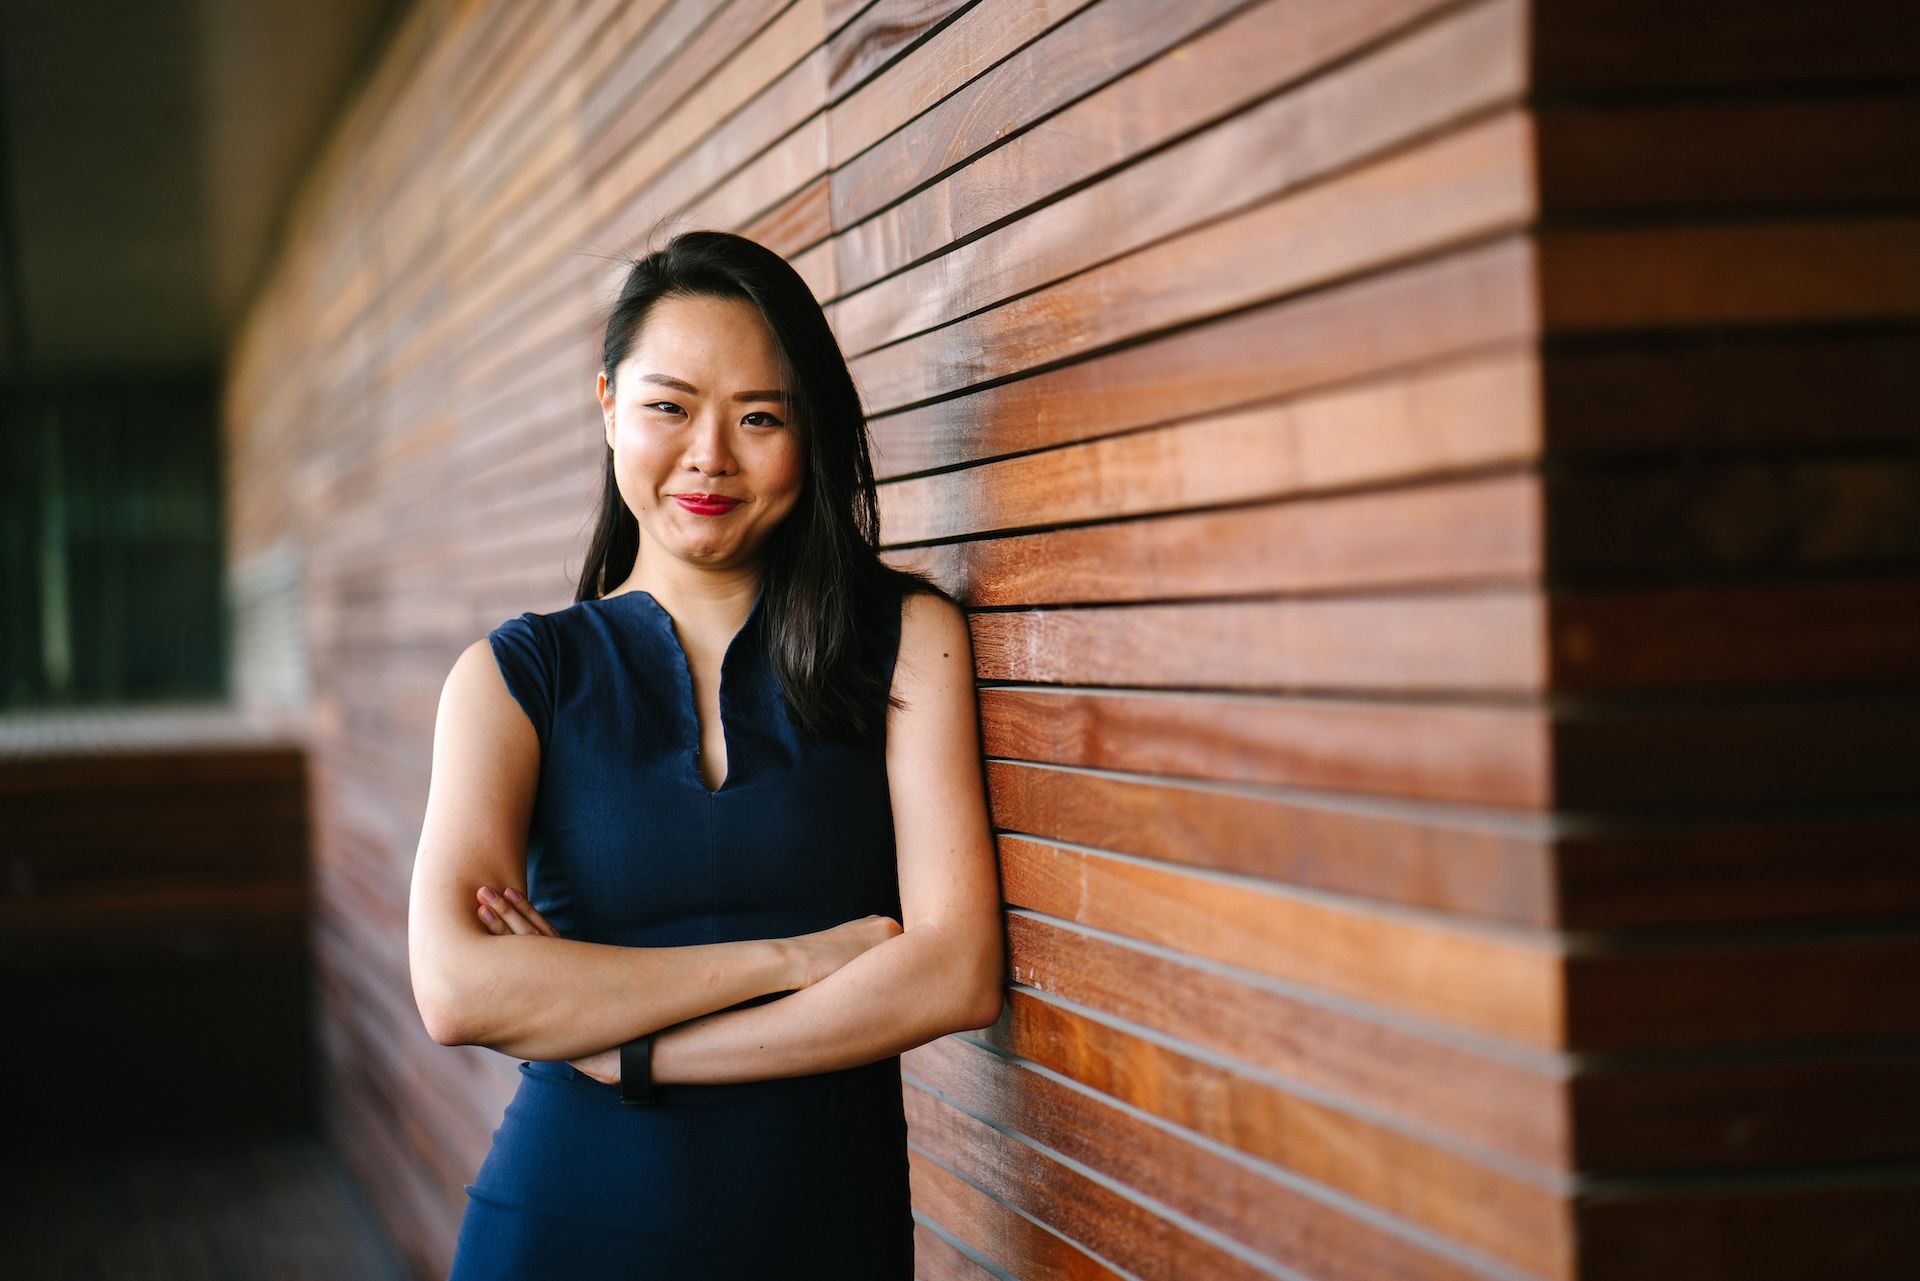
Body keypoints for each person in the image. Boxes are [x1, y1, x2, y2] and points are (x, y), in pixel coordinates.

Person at [406, 228, 1005, 1278]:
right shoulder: (515, 679)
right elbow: (459, 989)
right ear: (608, 407)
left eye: (760, 417)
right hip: (562, 1227)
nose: (709, 456)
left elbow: (954, 974)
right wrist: (797, 959)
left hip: (821, 1236)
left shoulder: (906, 640)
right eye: (669, 407)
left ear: (809, 434)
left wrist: (632, 1051)